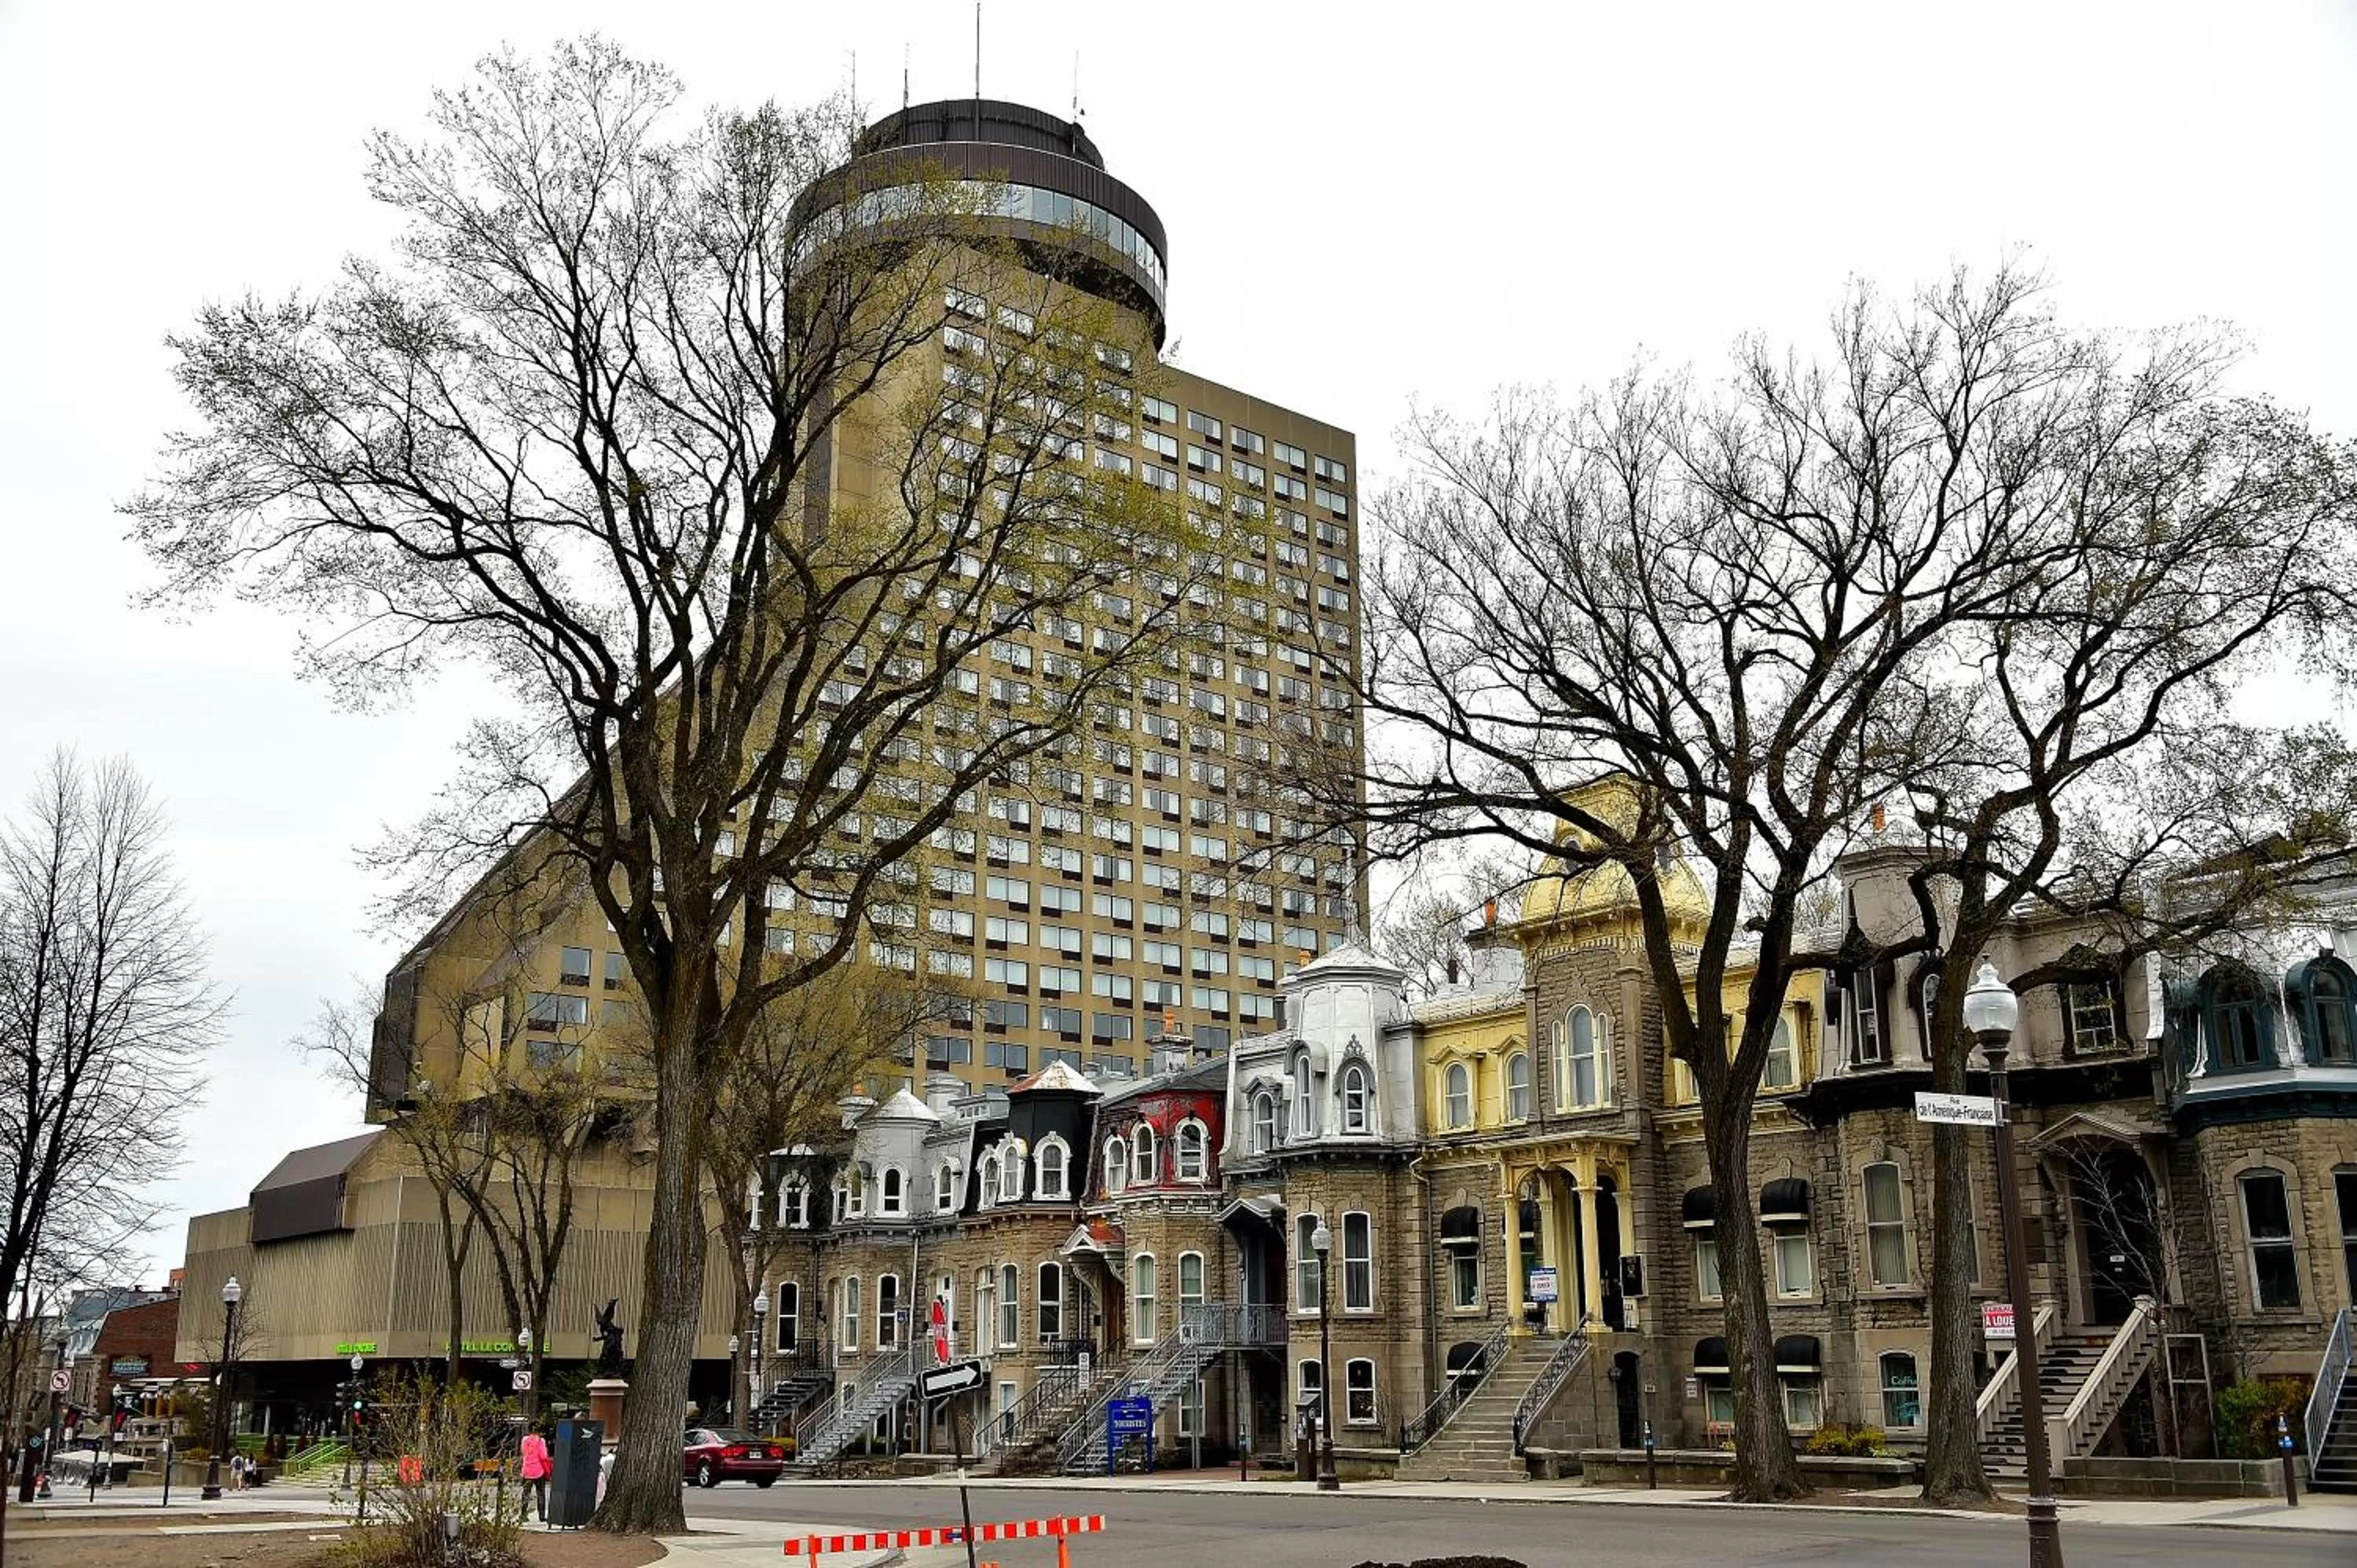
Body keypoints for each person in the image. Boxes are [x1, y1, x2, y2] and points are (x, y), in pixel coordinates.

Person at [518, 1425, 551, 1523]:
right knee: (540, 1493)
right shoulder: (541, 1441)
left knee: (526, 1493)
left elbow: (523, 1452)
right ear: (539, 1432)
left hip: (527, 1470)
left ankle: (523, 1515)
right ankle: (541, 1516)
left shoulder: (524, 1440)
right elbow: (543, 1456)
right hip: (538, 1471)